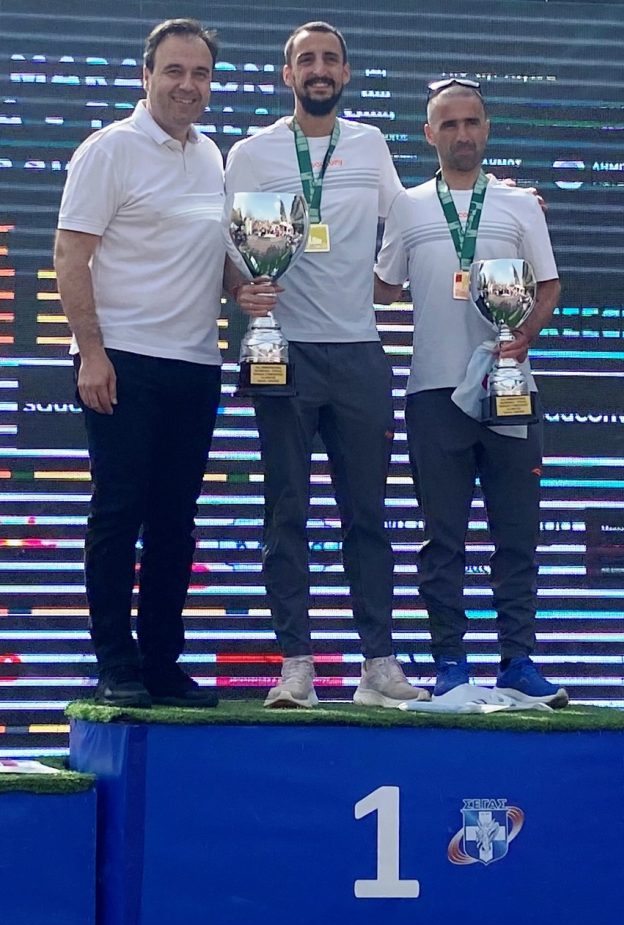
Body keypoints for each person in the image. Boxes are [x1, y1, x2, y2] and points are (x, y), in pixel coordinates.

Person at [225, 21, 428, 709]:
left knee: (367, 514)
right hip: (281, 348)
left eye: (330, 59)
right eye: (305, 59)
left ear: (345, 73)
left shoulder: (369, 144)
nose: (318, 69)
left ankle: (378, 665)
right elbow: (225, 239)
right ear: (287, 75)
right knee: (286, 510)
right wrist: (243, 287)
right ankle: (296, 666)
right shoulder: (252, 152)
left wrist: (497, 198)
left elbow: (410, 217)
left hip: (358, 352)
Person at [54, 18, 246, 708]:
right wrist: (92, 352)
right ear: (146, 76)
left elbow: (210, 254)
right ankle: (116, 664)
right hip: (123, 361)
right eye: (174, 71)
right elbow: (70, 254)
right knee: (118, 514)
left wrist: (244, 288)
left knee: (175, 522)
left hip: (195, 363)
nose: (187, 85)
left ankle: (162, 663)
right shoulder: (109, 149)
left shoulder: (212, 156)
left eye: (200, 74)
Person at [374, 78, 568, 708]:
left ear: (487, 130)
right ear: (429, 134)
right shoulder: (406, 206)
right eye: (449, 124)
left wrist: (523, 336)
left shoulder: (520, 205)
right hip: (434, 392)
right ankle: (450, 664)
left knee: (517, 532)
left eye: (472, 122)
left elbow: (547, 286)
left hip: (508, 387)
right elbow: (384, 288)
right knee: (443, 538)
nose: (462, 134)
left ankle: (518, 663)